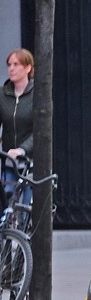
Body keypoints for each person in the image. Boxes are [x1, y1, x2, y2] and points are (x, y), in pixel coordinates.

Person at [1, 48, 35, 209]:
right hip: (9, 161)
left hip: (31, 161)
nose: (11, 68)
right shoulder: (3, 94)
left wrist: (22, 150)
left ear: (27, 68)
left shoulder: (37, 95)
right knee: (7, 205)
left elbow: (40, 132)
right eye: (9, 65)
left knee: (25, 208)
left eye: (16, 64)